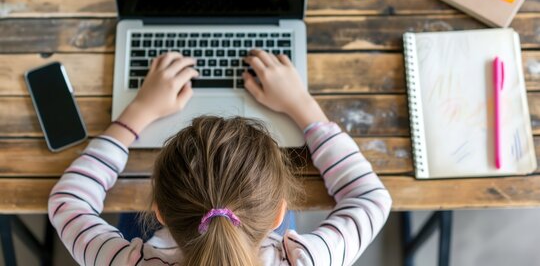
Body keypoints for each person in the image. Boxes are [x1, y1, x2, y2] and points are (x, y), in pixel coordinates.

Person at [48, 49, 392, 265]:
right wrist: (303, 107)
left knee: (126, 221)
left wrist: (135, 114)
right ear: (279, 215)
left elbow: (67, 203)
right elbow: (370, 198)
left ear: (159, 213)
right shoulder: (302, 259)